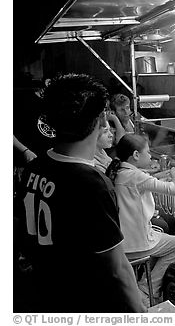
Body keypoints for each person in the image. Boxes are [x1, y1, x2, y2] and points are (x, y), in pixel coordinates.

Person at [14, 73, 144, 312]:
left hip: (43, 291)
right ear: (102, 121)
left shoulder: (33, 168)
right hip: (83, 299)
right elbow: (118, 268)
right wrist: (141, 314)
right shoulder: (93, 184)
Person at [106, 134, 175, 306]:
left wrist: (158, 173)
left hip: (121, 240)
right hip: (137, 243)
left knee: (161, 231)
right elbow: (174, 189)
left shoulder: (118, 170)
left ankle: (144, 284)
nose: (150, 156)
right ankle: (146, 289)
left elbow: (144, 178)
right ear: (135, 155)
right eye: (148, 152)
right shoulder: (136, 177)